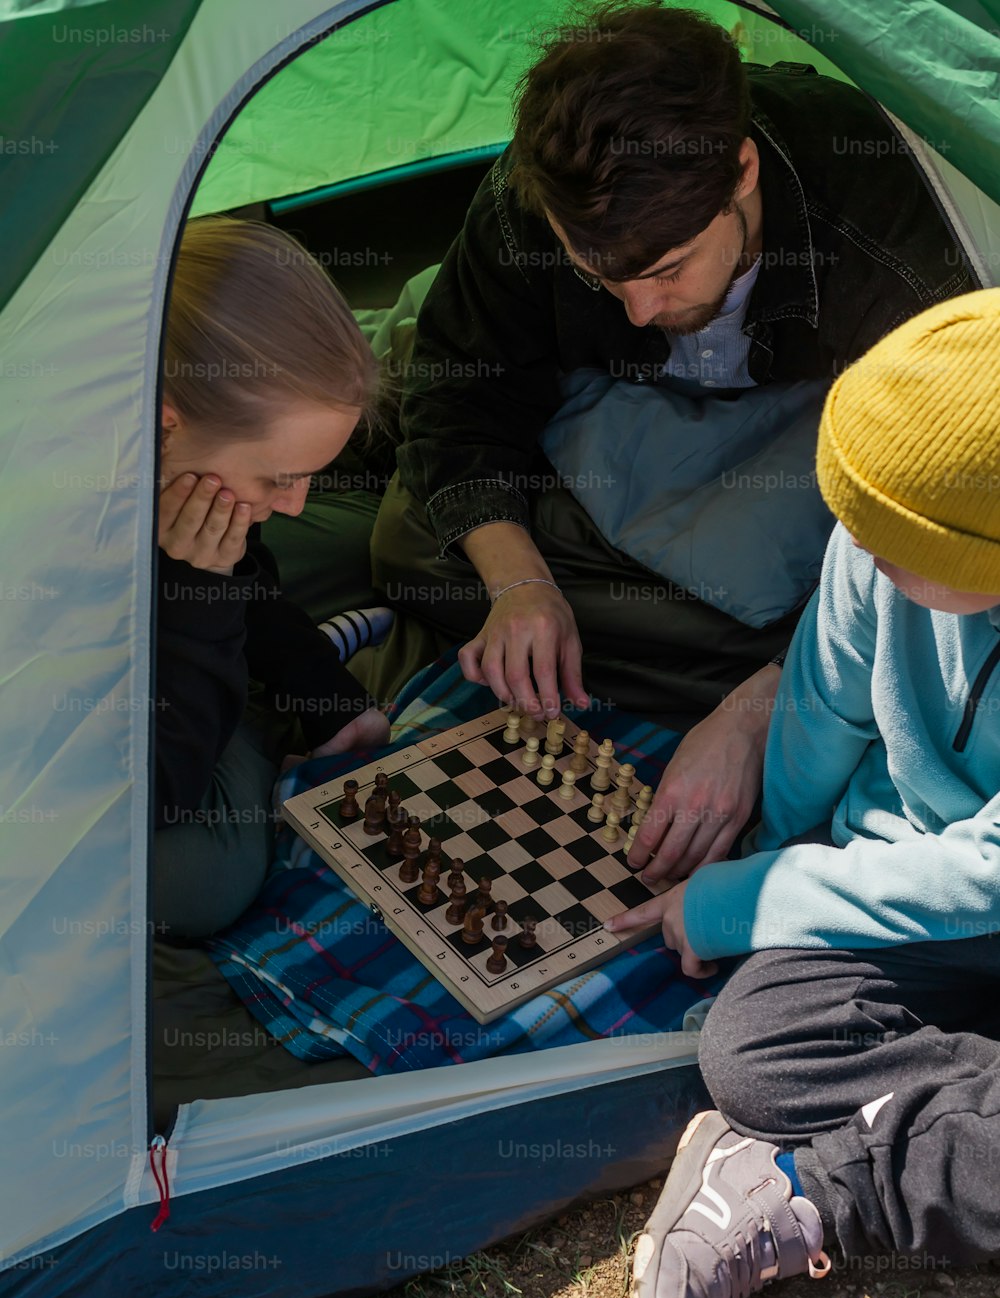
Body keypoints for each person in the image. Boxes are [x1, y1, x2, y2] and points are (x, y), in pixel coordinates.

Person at [370, 1, 977, 886]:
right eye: (597, 277)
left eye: (664, 271)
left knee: (909, 633)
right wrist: (520, 583)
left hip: (817, 447)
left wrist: (750, 715)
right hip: (624, 426)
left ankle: (731, 671)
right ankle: (658, 640)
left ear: (740, 172)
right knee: (411, 541)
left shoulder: (885, 230)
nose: (639, 310)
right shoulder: (533, 200)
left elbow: (931, 507)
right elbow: (461, 394)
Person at [601, 288, 1000, 1298]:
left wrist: (751, 901)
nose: (859, 560)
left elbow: (988, 875)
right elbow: (821, 711)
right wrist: (759, 865)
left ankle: (820, 1191)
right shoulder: (871, 546)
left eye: (892, 549)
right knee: (753, 1050)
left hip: (978, 892)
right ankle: (931, 1125)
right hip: (910, 904)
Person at [155, 216, 390, 940]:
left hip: (188, 605)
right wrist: (202, 592)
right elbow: (159, 788)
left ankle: (264, 687)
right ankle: (251, 724)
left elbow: (256, 569)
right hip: (136, 730)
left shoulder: (193, 461)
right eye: (280, 477)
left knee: (361, 543)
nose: (293, 502)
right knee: (196, 884)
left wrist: (325, 697)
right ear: (164, 425)